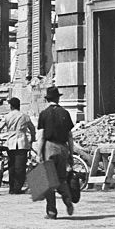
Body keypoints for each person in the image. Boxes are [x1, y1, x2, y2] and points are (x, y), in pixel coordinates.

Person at [36, 86, 75, 219]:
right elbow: (70, 136)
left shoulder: (44, 114)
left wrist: (38, 153)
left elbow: (41, 136)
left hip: (49, 147)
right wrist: (71, 153)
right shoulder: (65, 113)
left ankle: (51, 211)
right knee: (61, 178)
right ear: (58, 98)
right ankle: (66, 197)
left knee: (48, 181)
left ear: (48, 99)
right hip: (62, 148)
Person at [0, 96, 36, 194]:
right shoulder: (25, 116)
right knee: (20, 167)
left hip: (11, 143)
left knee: (11, 165)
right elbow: (32, 129)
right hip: (22, 143)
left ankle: (12, 188)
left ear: (11, 106)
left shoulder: (7, 116)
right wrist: (32, 139)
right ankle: (17, 188)